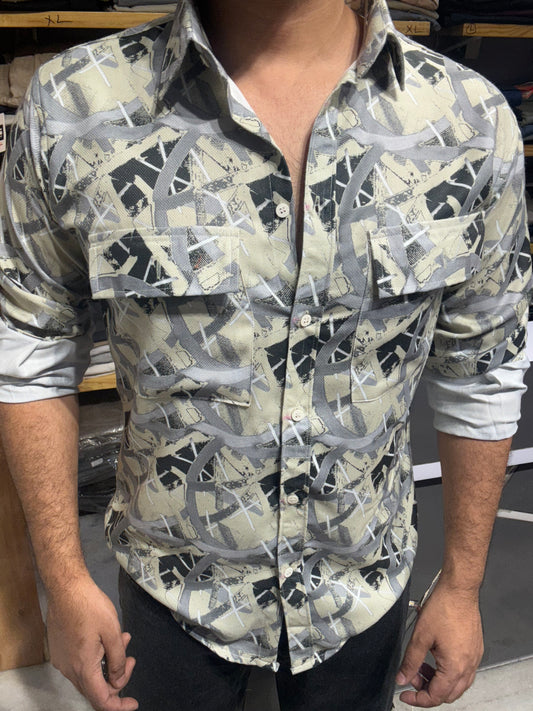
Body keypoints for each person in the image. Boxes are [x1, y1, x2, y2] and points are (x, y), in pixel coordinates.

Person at [0, 0, 530, 709]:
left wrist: (462, 584)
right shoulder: (76, 107)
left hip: (362, 594)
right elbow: (31, 349)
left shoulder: (468, 122)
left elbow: (484, 368)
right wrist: (63, 578)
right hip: (169, 596)